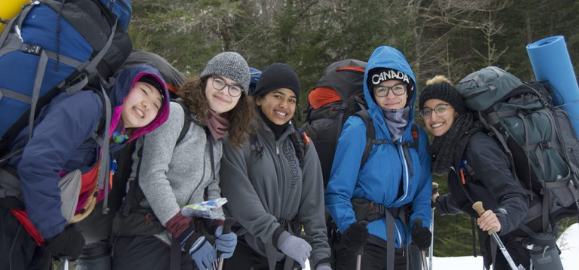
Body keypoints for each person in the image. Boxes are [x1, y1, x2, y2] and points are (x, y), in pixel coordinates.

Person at [0, 64, 171, 269]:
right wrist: (56, 232)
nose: (147, 105)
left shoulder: (112, 138)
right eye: (144, 91)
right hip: (12, 217)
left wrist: (66, 230)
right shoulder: (89, 106)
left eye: (156, 105)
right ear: (125, 85)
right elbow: (38, 162)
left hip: (36, 231)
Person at [111, 52, 254, 270]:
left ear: (241, 97)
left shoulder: (215, 135)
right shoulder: (176, 114)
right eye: (219, 81)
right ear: (205, 81)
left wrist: (218, 225)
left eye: (234, 88)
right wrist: (186, 235)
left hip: (183, 241)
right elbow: (152, 176)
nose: (225, 92)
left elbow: (212, 189)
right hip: (146, 237)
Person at [325, 45, 433, 270]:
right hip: (365, 240)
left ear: (409, 90)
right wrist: (349, 226)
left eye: (397, 88)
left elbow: (422, 191)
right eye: (382, 89)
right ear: (372, 93)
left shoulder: (416, 135)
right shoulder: (359, 128)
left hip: (404, 240)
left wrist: (421, 224)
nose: (391, 96)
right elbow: (337, 189)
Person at [219, 63, 332, 270]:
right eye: (278, 96)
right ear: (260, 99)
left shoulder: (302, 146)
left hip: (287, 255)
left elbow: (313, 209)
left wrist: (321, 259)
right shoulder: (237, 139)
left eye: (291, 100)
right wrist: (280, 237)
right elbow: (241, 201)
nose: (284, 106)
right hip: (245, 251)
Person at [419, 76, 530, 269]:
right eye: (427, 111)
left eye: (441, 108)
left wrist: (501, 218)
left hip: (519, 237)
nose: (433, 118)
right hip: (499, 237)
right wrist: (440, 204)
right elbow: (474, 191)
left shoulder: (477, 146)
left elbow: (516, 196)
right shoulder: (456, 145)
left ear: (457, 111)